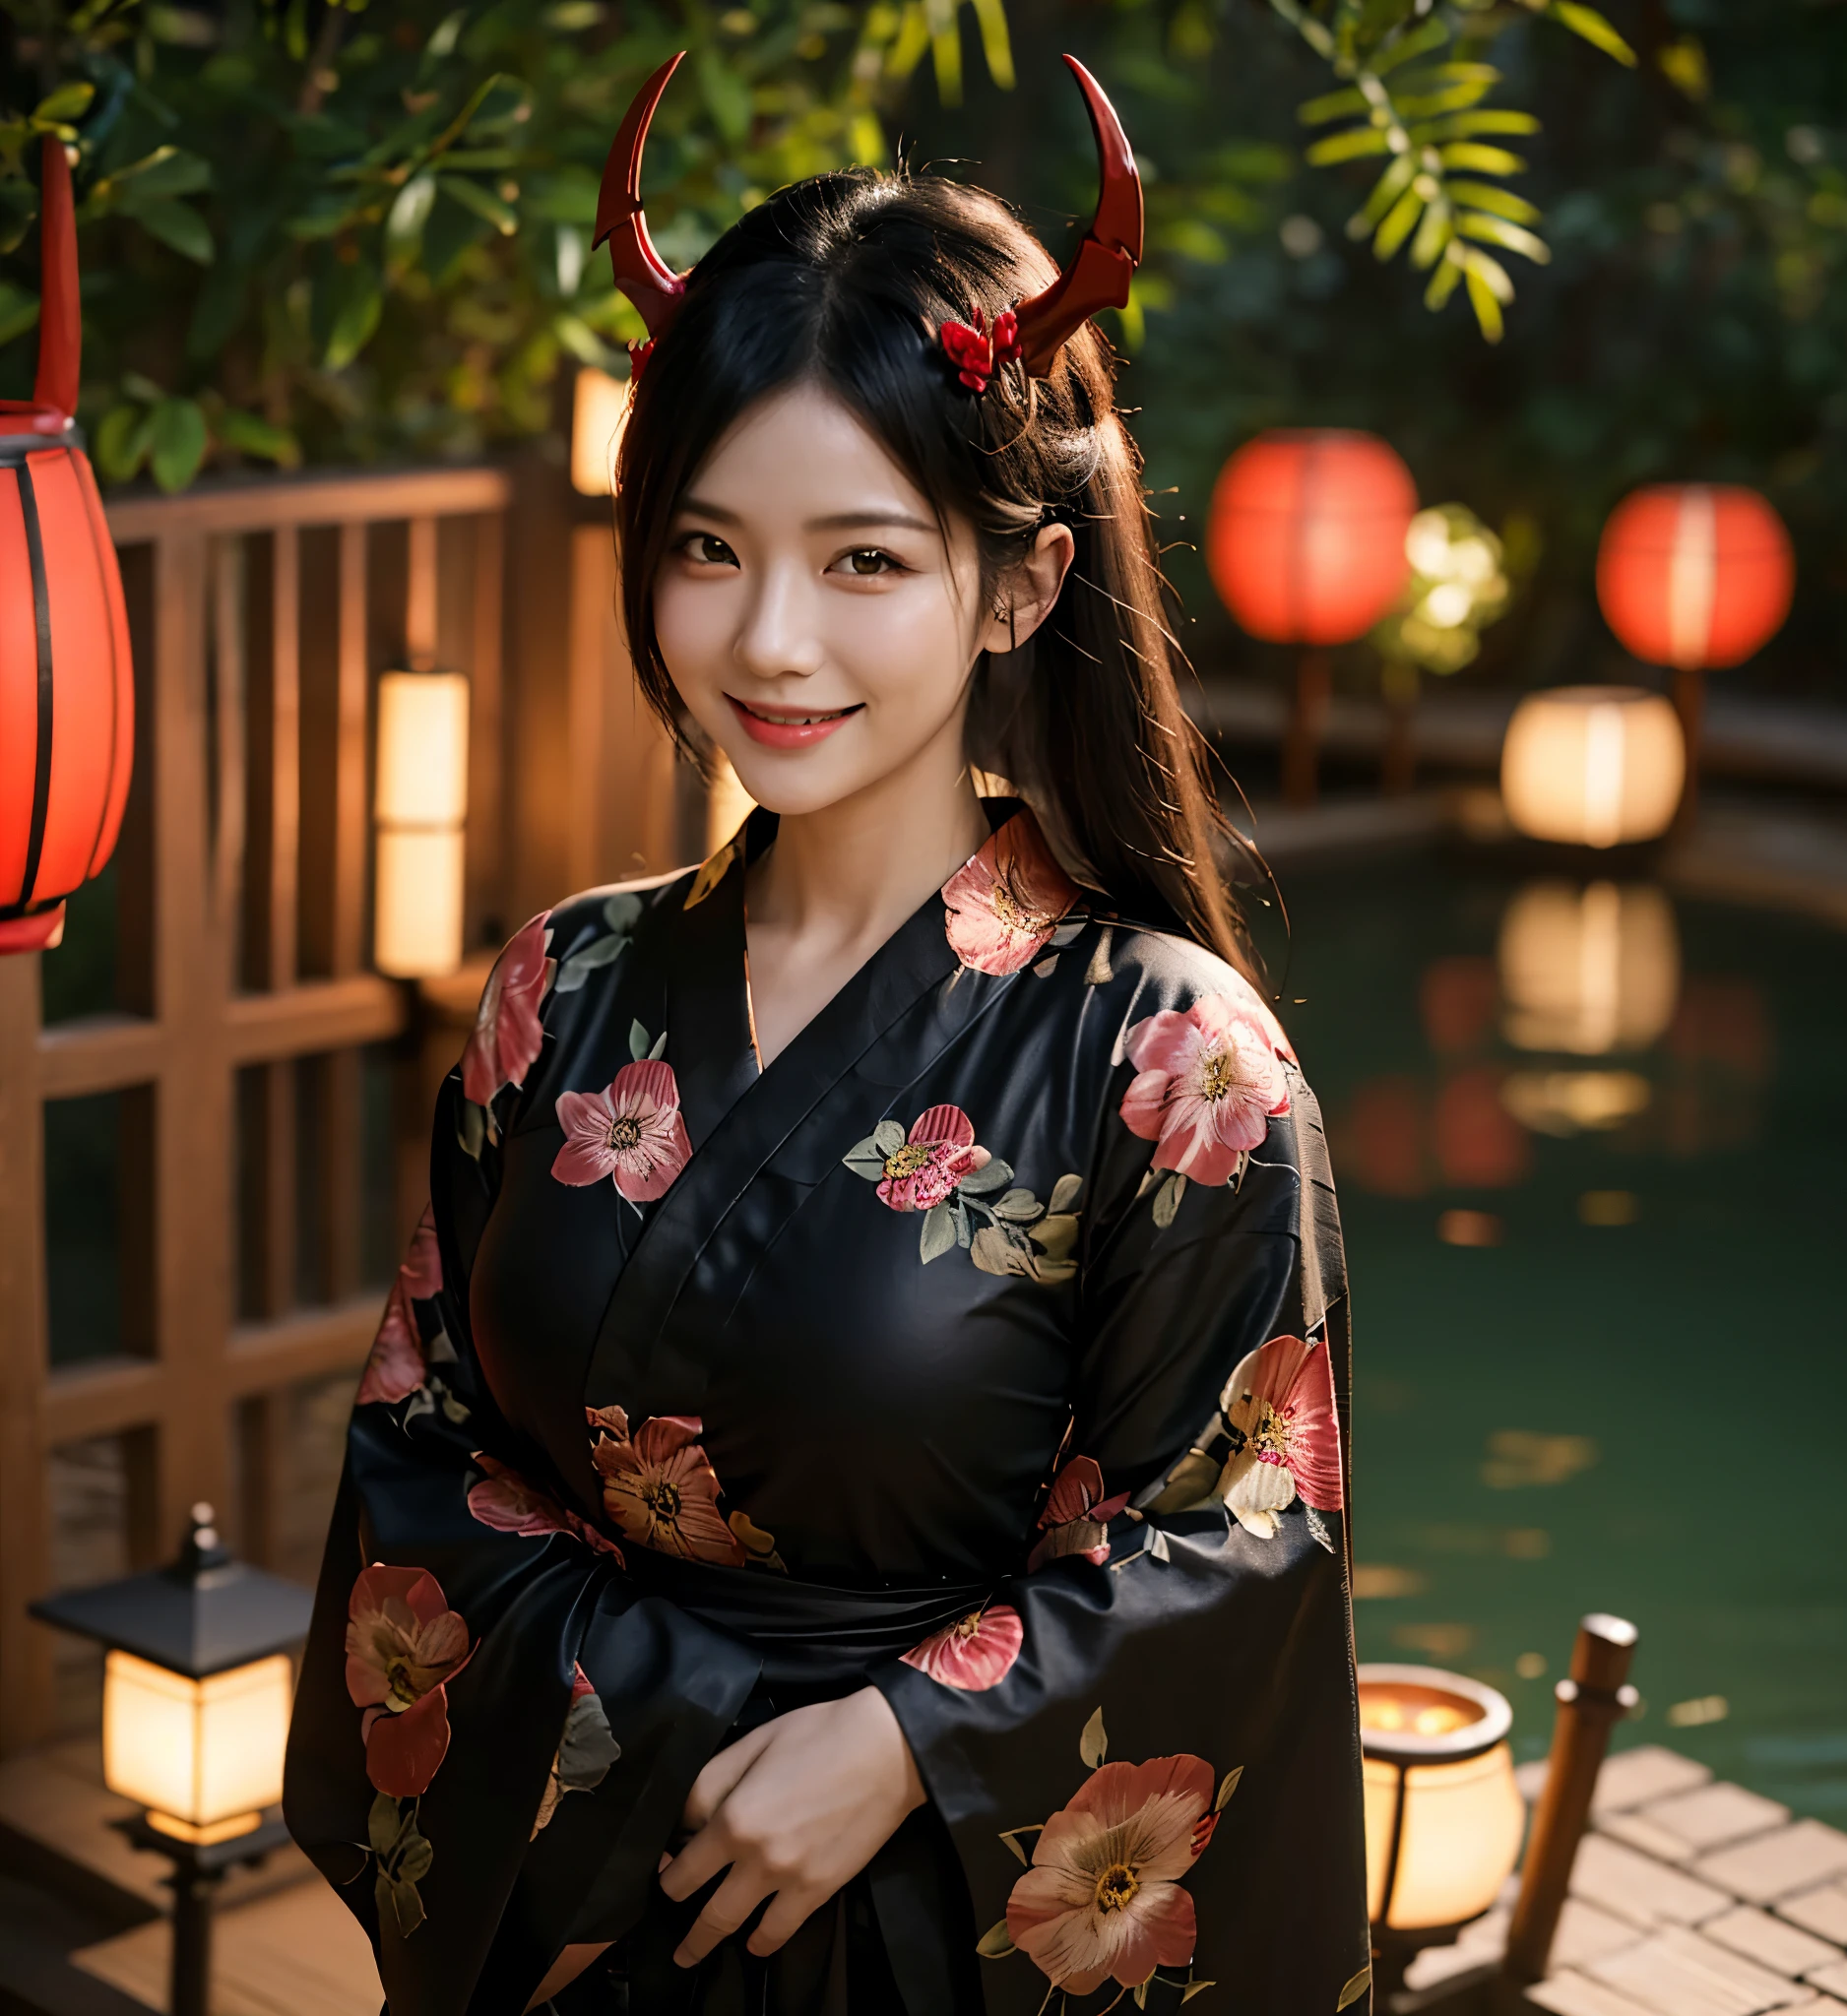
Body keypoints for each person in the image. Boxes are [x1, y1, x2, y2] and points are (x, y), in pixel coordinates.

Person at [283, 51, 1369, 2016]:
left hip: (924, 1939)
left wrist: (895, 1743)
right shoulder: (559, 991)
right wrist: (693, 1739)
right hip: (594, 1894)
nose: (766, 640)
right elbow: (421, 1444)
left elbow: (1234, 1551)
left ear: (1020, 580)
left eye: (862, 558)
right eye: (707, 546)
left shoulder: (1178, 1064)